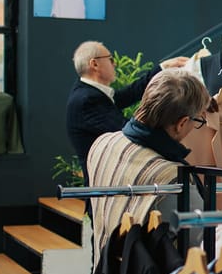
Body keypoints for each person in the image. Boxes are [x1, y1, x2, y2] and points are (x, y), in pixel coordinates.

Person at [87, 69, 211, 274]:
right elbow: (199, 247)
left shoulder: (101, 143)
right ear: (181, 123)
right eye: (196, 121)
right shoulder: (172, 178)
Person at [65, 40, 187, 188]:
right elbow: (130, 132)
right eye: (110, 59)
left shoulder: (88, 92)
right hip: (105, 191)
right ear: (94, 64)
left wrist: (162, 68)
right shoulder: (87, 100)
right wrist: (177, 147)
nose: (114, 64)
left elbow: (129, 94)